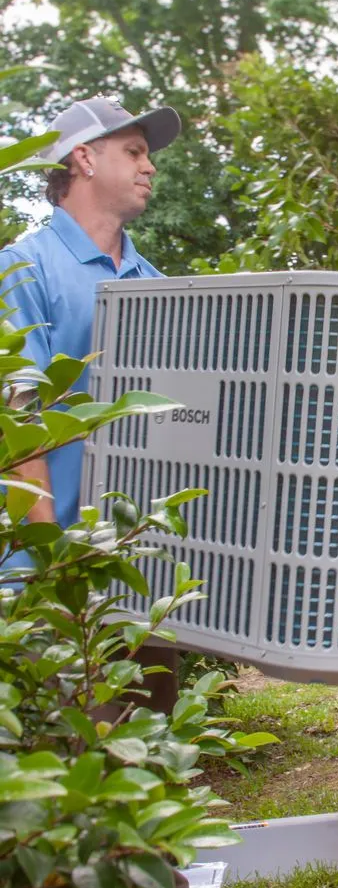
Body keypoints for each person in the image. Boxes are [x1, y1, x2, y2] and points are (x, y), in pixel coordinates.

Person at [0, 96, 183, 714]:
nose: (149, 167)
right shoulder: (24, 268)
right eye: (134, 152)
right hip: (51, 573)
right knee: (67, 764)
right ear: (83, 158)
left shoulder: (155, 285)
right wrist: (54, 562)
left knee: (149, 757)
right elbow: (22, 417)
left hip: (138, 575)